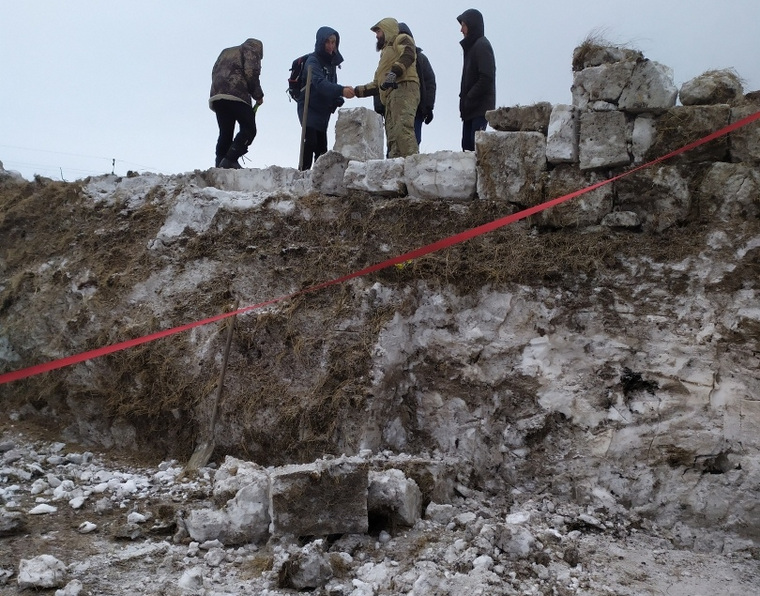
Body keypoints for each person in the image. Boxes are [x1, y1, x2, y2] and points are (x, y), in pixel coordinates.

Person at [354, 18, 419, 158]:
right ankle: (397, 170)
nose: (377, 35)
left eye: (378, 31)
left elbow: (409, 54)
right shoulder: (385, 54)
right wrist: (355, 91)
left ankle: (414, 165)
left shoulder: (401, 38)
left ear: (387, 29)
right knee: (393, 136)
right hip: (390, 95)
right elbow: (377, 85)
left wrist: (393, 74)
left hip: (404, 86)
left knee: (402, 129)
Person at [297, 27, 355, 170]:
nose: (331, 46)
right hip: (309, 107)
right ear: (320, 42)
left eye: (333, 42)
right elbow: (319, 83)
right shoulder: (313, 61)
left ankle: (318, 178)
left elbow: (330, 85)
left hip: (323, 111)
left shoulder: (331, 65)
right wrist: (341, 90)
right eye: (327, 42)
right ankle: (303, 173)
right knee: (310, 141)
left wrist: (336, 98)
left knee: (322, 148)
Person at [373, 22, 436, 148]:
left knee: (411, 140)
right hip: (392, 106)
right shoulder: (389, 58)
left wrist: (428, 106)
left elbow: (430, 83)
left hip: (417, 109)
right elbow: (380, 82)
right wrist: (380, 107)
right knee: (394, 143)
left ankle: (412, 165)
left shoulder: (420, 58)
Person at [209, 38, 265, 169]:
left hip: (218, 96)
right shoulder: (251, 50)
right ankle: (230, 159)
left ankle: (220, 162)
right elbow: (251, 73)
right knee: (249, 129)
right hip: (236, 94)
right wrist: (258, 95)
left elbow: (214, 71)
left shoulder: (226, 52)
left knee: (225, 132)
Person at [457, 9, 496, 151]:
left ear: (472, 25)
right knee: (467, 148)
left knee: (475, 150)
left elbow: (486, 77)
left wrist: (470, 97)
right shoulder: (472, 47)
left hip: (479, 109)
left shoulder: (482, 45)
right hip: (469, 109)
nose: (461, 30)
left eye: (464, 25)